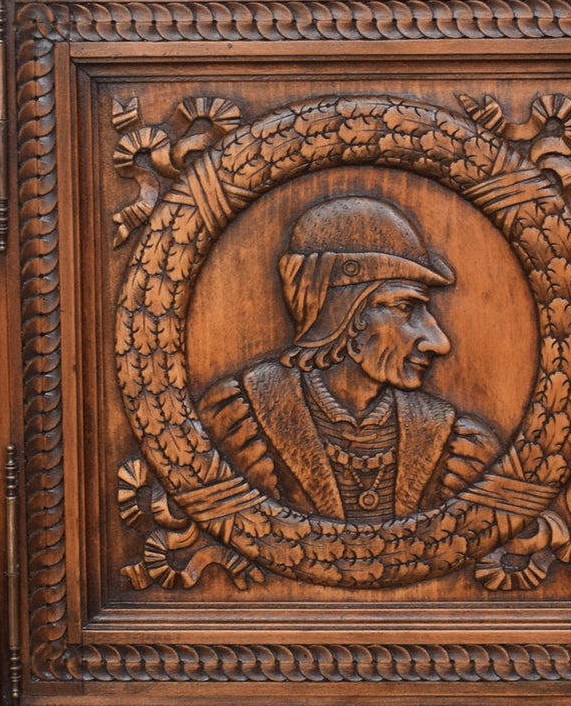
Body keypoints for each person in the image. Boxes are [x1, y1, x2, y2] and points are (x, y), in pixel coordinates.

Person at [199, 195, 500, 520]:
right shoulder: (239, 419)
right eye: (404, 308)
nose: (437, 342)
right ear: (341, 312)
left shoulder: (455, 441)